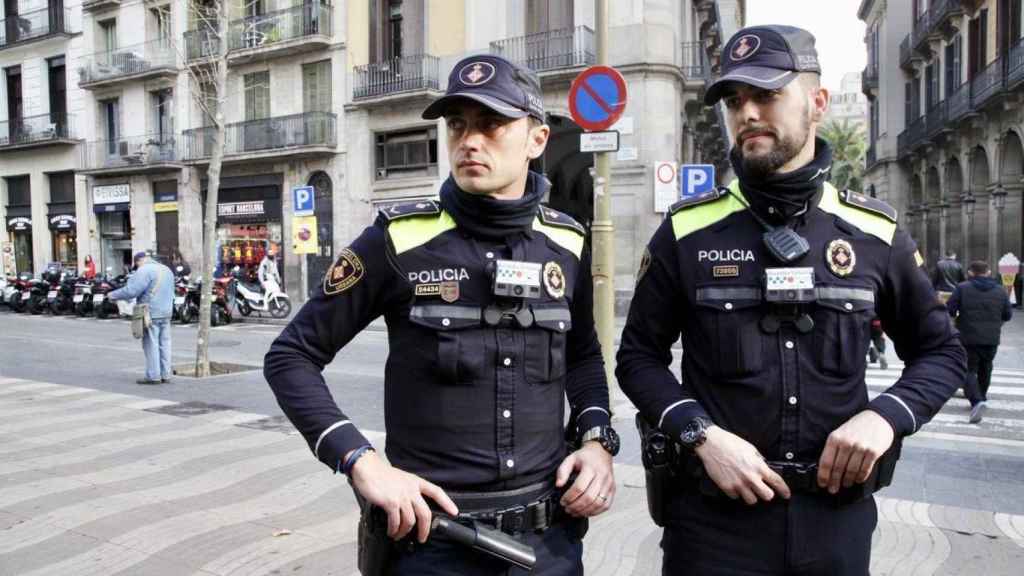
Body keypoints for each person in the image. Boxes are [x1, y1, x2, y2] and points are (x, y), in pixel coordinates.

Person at [616, 25, 965, 576]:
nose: (747, 112)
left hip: (835, 516)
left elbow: (943, 352)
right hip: (712, 521)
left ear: (818, 102)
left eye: (766, 94)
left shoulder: (873, 233)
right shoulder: (686, 232)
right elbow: (637, 357)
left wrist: (885, 418)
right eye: (735, 101)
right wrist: (699, 436)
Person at [264, 53, 616, 575]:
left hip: (549, 544)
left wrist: (597, 440)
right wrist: (360, 461)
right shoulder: (398, 240)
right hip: (433, 545)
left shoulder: (566, 242)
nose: (470, 140)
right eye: (457, 125)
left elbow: (583, 356)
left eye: (492, 123)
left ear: (537, 140)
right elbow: (291, 356)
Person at [946, 260, 1012, 423]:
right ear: (988, 272)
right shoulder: (1000, 290)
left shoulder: (962, 288)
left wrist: (959, 319)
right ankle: (982, 395)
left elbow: (951, 310)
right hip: (991, 337)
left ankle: (976, 400)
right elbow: (1008, 315)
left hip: (968, 336)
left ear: (970, 273)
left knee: (967, 369)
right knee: (986, 366)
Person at [109, 251, 175, 385]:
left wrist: (113, 295)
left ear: (138, 261)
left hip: (150, 312)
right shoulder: (166, 270)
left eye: (136, 265)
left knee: (151, 344)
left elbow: (131, 291)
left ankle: (153, 376)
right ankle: (165, 374)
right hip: (167, 312)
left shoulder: (144, 270)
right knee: (165, 344)